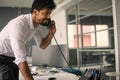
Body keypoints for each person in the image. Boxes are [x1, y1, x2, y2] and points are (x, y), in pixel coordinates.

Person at [0, 0, 56, 80]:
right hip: (2, 56)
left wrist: (51, 32)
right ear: (36, 12)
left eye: (49, 13)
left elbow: (42, 45)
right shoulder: (18, 25)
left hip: (12, 57)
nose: (48, 17)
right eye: (46, 13)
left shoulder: (36, 27)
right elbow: (21, 59)